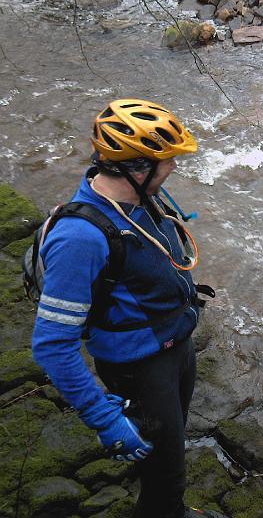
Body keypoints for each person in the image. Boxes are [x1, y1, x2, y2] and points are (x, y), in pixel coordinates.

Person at [31, 99, 225, 518]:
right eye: (166, 160)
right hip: (139, 368)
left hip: (174, 345)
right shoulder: (80, 239)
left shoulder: (138, 199)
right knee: (165, 473)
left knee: (171, 450)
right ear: (136, 168)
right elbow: (51, 344)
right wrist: (103, 416)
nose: (173, 167)